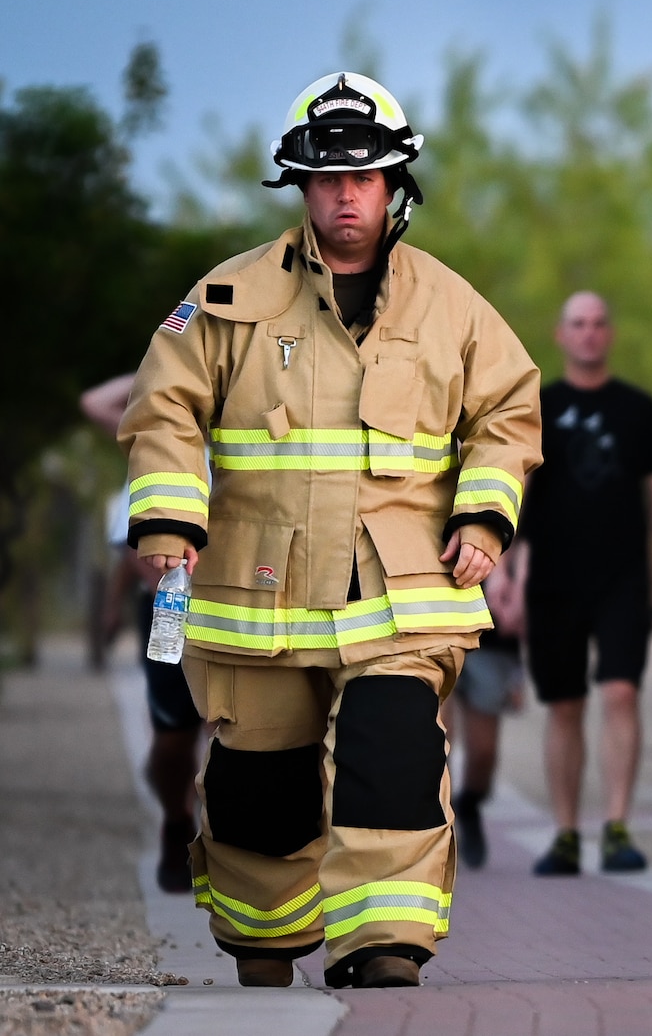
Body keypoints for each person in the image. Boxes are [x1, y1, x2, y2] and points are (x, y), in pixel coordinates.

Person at [117, 72, 543, 990]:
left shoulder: (454, 307)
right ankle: (266, 951)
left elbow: (509, 413)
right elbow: (163, 412)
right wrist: (164, 518)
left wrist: (483, 513)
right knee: (260, 797)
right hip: (255, 594)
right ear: (300, 187)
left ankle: (383, 947)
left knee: (392, 755)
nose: (346, 195)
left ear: (396, 187)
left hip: (400, 592)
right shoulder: (226, 298)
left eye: (366, 177)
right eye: (326, 179)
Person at [521, 291, 652, 876]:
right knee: (563, 705)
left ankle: (616, 827)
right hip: (553, 582)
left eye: (598, 323)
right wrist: (508, 582)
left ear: (609, 334)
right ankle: (565, 833)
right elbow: (517, 501)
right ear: (561, 335)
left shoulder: (638, 410)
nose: (589, 333)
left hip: (623, 577)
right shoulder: (535, 410)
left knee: (620, 693)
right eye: (577, 324)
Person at [81, 372, 205, 894]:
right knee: (174, 743)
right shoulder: (154, 443)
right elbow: (95, 401)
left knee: (246, 741)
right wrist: (171, 360)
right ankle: (177, 816)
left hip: (248, 608)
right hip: (171, 613)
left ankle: (234, 852)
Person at [447, 537, 528, 870]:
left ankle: (470, 805)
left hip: (492, 632)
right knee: (438, 742)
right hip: (438, 622)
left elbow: (524, 537)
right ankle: (438, 828)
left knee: (484, 752)